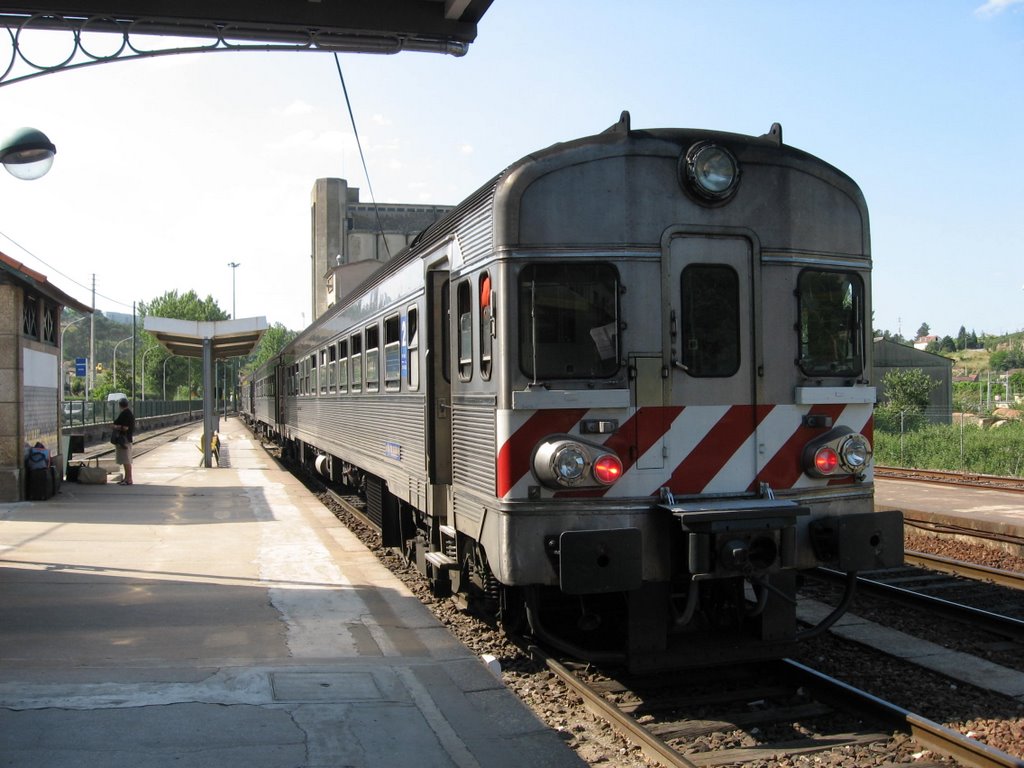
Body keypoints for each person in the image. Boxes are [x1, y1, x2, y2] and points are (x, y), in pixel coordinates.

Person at [112, 397, 135, 485]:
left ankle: (129, 479)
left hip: (124, 440)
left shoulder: (125, 414)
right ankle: (126, 478)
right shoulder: (128, 413)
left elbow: (125, 427)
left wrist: (115, 427)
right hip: (126, 439)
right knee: (126, 460)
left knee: (126, 460)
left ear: (119, 405)